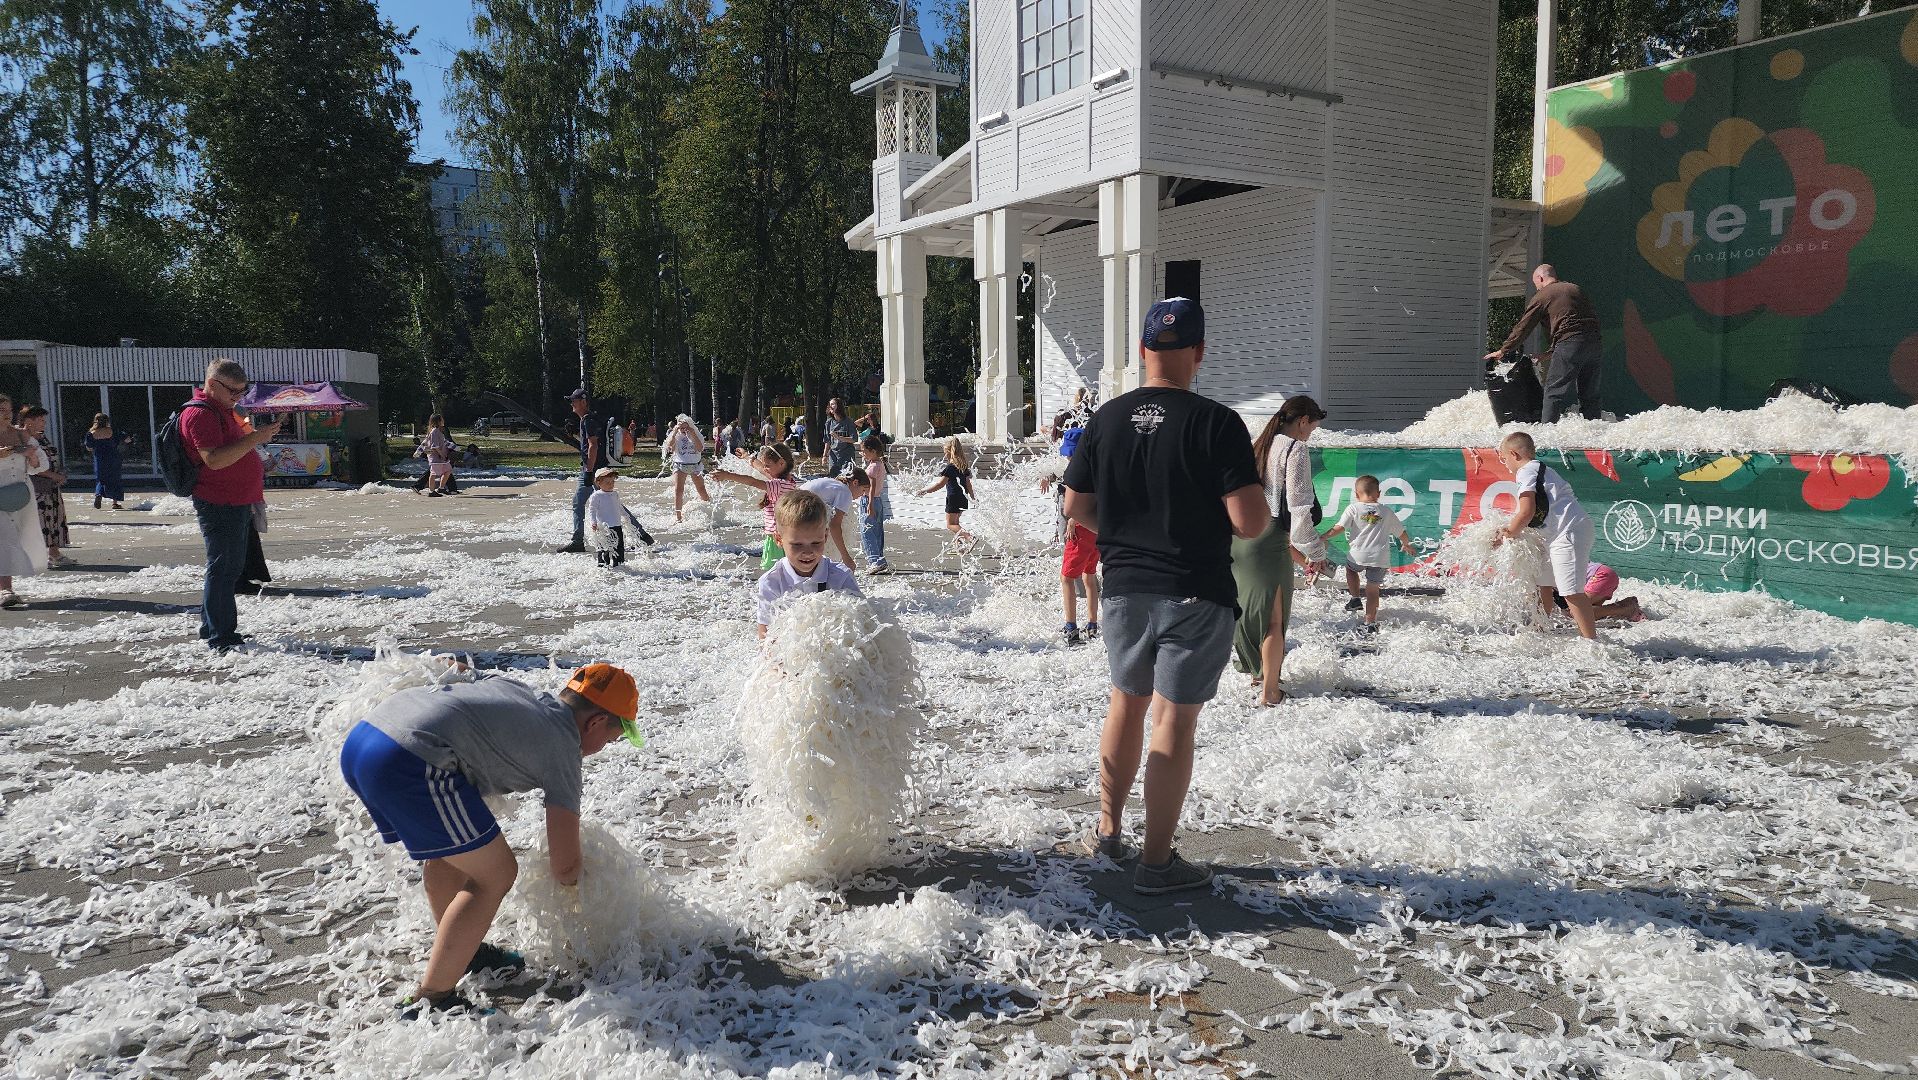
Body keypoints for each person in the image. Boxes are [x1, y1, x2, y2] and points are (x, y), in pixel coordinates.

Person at [1061, 297, 1267, 894]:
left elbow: (1076, 507)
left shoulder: (1104, 419)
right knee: (1173, 718)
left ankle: (1107, 831)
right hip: (1195, 590)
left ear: (1144, 352)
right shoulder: (1217, 423)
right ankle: (1156, 863)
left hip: (1124, 588)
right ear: (1198, 353)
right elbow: (1249, 521)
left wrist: (1129, 533)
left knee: (1125, 705)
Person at [339, 663, 644, 1015]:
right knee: (496, 874)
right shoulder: (564, 750)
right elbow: (565, 868)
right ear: (594, 723)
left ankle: (463, 952)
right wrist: (599, 898)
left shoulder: (519, 690)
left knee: (453, 855)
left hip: (367, 737)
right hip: (410, 758)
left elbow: (459, 668)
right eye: (610, 739)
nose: (603, 748)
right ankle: (433, 999)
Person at [177, 359, 282, 651]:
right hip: (219, 501)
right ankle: (221, 636)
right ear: (212, 385)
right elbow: (214, 459)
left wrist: (256, 436)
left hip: (234, 500)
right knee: (224, 570)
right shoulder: (201, 414)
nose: (238, 397)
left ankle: (211, 627)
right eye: (233, 391)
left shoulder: (224, 410)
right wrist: (255, 439)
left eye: (242, 391)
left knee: (225, 568)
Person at [1232, 397, 1329, 706]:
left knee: (1248, 611)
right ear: (1302, 421)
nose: (1311, 433)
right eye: (1313, 426)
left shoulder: (1259, 444)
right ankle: (1270, 691)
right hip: (1270, 536)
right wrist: (1316, 550)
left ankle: (1258, 675)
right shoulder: (1294, 448)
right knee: (1274, 620)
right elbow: (1299, 510)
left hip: (1241, 537)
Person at [1496, 430, 1599, 639]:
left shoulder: (1526, 471)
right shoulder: (1541, 469)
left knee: (1571, 591)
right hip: (1556, 533)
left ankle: (1591, 643)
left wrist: (1507, 534)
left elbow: (1526, 511)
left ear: (1514, 454)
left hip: (1568, 531)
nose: (1504, 464)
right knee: (1542, 582)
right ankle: (1539, 628)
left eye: (1504, 458)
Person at [1485, 264, 1603, 423]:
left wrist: (1504, 349)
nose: (1537, 288)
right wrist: (1550, 353)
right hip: (1594, 344)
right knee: (1589, 393)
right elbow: (1578, 324)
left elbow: (1524, 326)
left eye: (1536, 284)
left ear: (1540, 278)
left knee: (1554, 391)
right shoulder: (1576, 289)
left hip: (1569, 343)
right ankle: (1593, 429)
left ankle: (1548, 432)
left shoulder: (1543, 295)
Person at [755, 489, 860, 639]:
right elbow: (765, 637)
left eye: (816, 543)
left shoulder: (841, 578)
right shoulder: (771, 583)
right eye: (797, 545)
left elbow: (862, 625)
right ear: (779, 539)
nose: (808, 552)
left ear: (825, 536)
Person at [1320, 474, 1416, 632]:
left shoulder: (1353, 508)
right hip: (1380, 557)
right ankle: (1370, 623)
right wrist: (1406, 544)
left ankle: (1355, 598)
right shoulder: (1386, 511)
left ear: (1356, 494)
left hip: (1359, 555)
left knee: (1351, 570)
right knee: (1372, 590)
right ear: (1378, 493)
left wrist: (1324, 536)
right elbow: (1401, 532)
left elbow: (1340, 527)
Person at [711, 443, 797, 568]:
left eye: (768, 465)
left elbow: (752, 481)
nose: (765, 468)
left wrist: (727, 476)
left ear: (781, 463)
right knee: (784, 569)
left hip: (775, 536)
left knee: (775, 569)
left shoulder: (778, 485)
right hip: (782, 533)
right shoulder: (788, 480)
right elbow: (761, 468)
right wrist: (746, 457)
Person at [0, 393, 49, 609]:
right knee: (5, 538)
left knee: (15, 539)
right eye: (1, 411)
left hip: (19, 493)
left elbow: (41, 466)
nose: (6, 415)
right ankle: (5, 589)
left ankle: (5, 587)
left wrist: (31, 455)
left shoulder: (21, 435)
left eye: (8, 411)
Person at [15, 407, 72, 569]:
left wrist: (59, 473)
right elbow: (32, 465)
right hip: (36, 487)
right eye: (40, 420)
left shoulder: (41, 438)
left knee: (54, 518)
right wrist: (54, 475)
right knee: (39, 521)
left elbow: (49, 457)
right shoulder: (21, 438)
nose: (44, 423)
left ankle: (54, 553)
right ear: (28, 421)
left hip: (51, 487)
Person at [1057, 430, 1099, 646]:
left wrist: (1072, 520)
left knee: (1066, 578)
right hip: (1096, 531)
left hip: (1080, 531)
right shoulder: (1097, 465)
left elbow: (1073, 505)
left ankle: (1071, 626)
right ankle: (1092, 625)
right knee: (1089, 576)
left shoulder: (1077, 469)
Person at [558, 389, 607, 553]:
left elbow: (593, 445)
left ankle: (641, 535)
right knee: (579, 502)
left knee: (609, 504)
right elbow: (588, 444)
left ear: (584, 402)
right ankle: (577, 541)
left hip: (593, 470)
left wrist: (589, 472)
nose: (572, 403)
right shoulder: (587, 419)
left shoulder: (588, 420)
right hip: (591, 468)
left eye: (575, 400)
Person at [586, 467, 653, 567]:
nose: (611, 484)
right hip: (604, 528)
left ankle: (619, 565)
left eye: (613, 482)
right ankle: (603, 566)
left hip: (617, 526)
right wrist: (593, 522)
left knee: (619, 547)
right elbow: (592, 510)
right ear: (598, 482)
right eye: (608, 482)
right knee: (605, 548)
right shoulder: (596, 496)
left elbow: (619, 507)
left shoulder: (615, 494)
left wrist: (626, 517)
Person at [918, 437, 975, 552]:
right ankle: (959, 548)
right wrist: (972, 497)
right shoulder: (963, 467)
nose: (945, 455)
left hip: (953, 497)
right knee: (956, 523)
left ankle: (969, 537)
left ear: (949, 452)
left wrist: (925, 491)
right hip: (963, 497)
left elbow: (940, 484)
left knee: (950, 525)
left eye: (945, 453)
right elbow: (968, 484)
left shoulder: (950, 468)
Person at [799, 471, 862, 570]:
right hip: (801, 511)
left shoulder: (834, 485)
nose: (861, 495)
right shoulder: (846, 492)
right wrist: (846, 557)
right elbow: (834, 525)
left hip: (793, 506)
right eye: (863, 490)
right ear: (855, 483)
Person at [663, 415, 711, 523]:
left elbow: (700, 448)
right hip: (680, 464)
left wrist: (692, 433)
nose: (684, 430)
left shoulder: (695, 434)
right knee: (678, 490)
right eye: (681, 428)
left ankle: (710, 510)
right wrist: (675, 432)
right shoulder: (676, 435)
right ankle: (678, 516)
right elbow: (669, 447)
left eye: (686, 428)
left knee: (701, 489)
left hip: (695, 465)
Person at [855, 435, 891, 574]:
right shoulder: (879, 464)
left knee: (867, 530)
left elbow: (871, 486)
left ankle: (874, 560)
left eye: (864, 451)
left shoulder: (872, 468)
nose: (862, 454)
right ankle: (879, 558)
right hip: (878, 500)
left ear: (873, 451)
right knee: (877, 530)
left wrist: (869, 504)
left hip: (869, 500)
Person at [86, 414, 131, 510]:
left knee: (101, 479)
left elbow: (89, 447)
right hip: (113, 457)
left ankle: (99, 494)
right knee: (115, 479)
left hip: (100, 458)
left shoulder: (91, 433)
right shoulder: (113, 431)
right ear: (107, 421)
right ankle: (115, 503)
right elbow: (127, 439)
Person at [417, 414, 455, 497]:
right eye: (442, 419)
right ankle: (431, 491)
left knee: (448, 471)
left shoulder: (438, 431)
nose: (443, 421)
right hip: (436, 457)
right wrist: (442, 455)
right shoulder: (434, 432)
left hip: (442, 457)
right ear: (438, 421)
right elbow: (435, 446)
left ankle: (441, 488)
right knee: (433, 474)